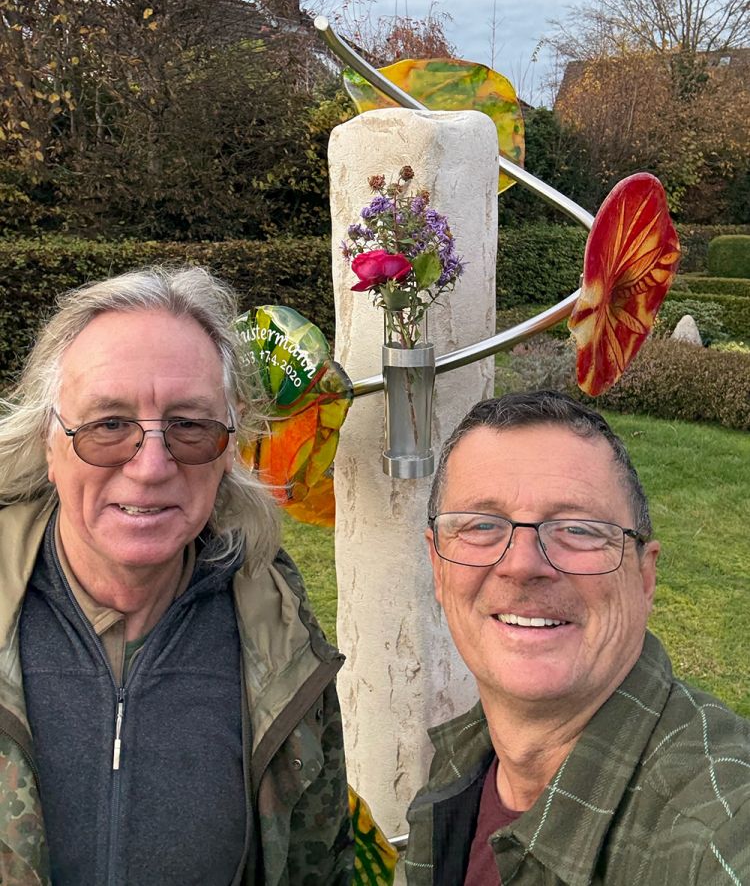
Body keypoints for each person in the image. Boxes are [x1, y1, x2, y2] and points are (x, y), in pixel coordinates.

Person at [0, 266, 353, 885]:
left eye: (190, 426)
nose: (152, 466)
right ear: (49, 444)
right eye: (109, 426)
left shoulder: (278, 632)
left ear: (229, 451)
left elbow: (318, 866)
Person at [405, 390, 749, 885]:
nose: (522, 565)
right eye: (481, 525)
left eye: (579, 529)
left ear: (644, 576)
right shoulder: (463, 764)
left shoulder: (717, 833)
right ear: (438, 568)